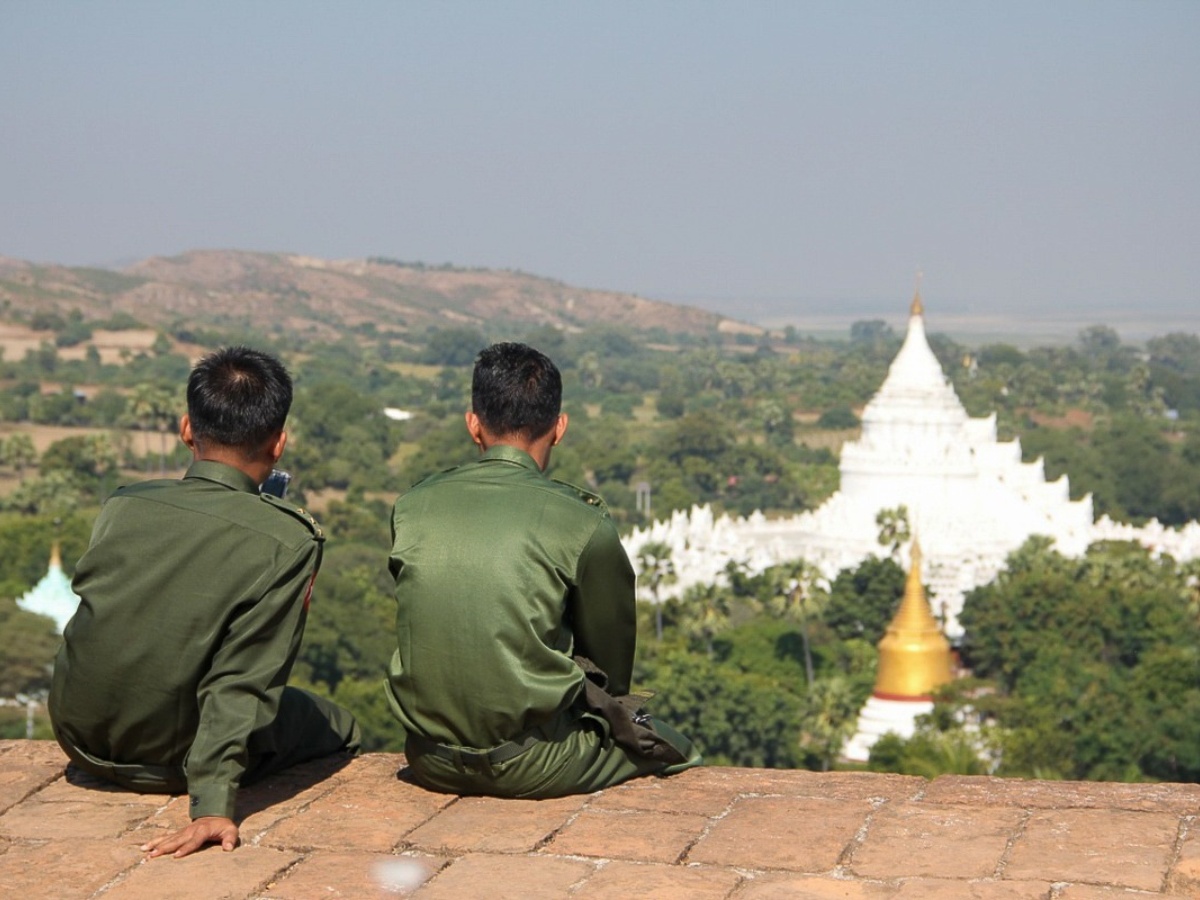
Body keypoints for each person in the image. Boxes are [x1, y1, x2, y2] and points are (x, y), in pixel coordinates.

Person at [49, 346, 360, 859]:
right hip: (165, 759)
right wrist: (213, 804)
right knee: (338, 725)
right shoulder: (289, 540)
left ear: (187, 429)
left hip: (76, 738)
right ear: (278, 443)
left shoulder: (124, 505)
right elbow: (241, 679)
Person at [386, 341, 700, 798]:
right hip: (532, 763)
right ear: (559, 428)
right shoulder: (582, 522)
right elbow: (610, 664)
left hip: (428, 758)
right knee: (676, 747)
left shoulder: (411, 506)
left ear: (473, 425)